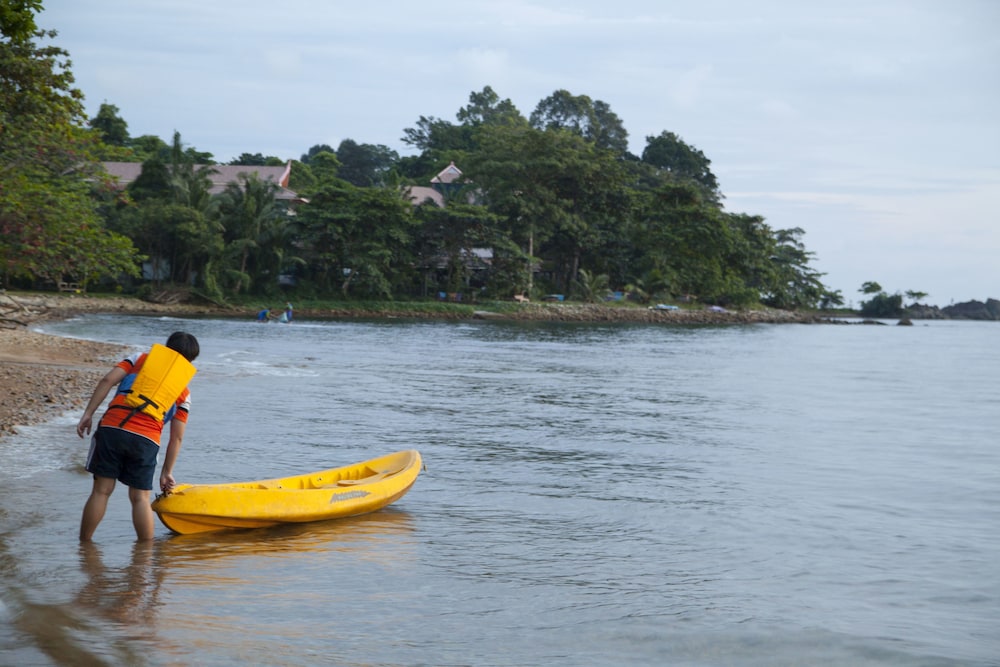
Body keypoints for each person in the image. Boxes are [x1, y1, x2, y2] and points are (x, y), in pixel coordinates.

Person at [76, 331, 200, 541]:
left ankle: (84, 546)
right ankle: (143, 560)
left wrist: (87, 414)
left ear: (166, 347)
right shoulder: (184, 392)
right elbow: (176, 438)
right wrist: (166, 472)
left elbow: (107, 380)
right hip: (146, 439)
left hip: (112, 429)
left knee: (101, 491)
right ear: (190, 360)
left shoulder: (139, 359)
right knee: (140, 498)